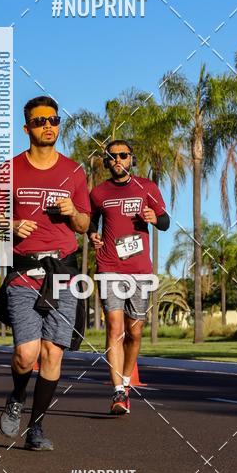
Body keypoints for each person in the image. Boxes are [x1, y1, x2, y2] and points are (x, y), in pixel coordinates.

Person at [0, 96, 90, 450]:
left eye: (53, 120)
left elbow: (84, 225)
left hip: (63, 271)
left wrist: (73, 212)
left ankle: (36, 428)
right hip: (25, 271)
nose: (48, 126)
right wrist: (12, 225)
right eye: (39, 121)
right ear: (27, 129)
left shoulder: (74, 171)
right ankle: (17, 395)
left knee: (53, 352)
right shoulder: (8, 170)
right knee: (27, 353)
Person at [89, 139, 169, 415]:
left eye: (123, 155)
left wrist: (154, 218)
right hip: (109, 266)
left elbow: (165, 221)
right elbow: (91, 220)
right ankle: (118, 391)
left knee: (134, 332)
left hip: (139, 270)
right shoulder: (99, 192)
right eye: (112, 156)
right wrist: (92, 234)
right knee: (114, 327)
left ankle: (125, 381)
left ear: (131, 159)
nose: (118, 160)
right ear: (106, 162)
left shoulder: (147, 187)